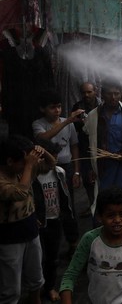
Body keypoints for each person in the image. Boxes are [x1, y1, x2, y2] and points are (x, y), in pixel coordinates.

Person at [59, 186, 122, 304]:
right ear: (100, 217)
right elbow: (70, 275)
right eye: (110, 215)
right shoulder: (90, 240)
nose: (117, 220)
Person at [83, 80, 122, 212]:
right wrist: (89, 168)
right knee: (104, 202)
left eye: (116, 94)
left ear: (121, 95)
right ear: (103, 95)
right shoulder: (93, 116)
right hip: (103, 166)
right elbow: (86, 143)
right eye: (109, 94)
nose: (113, 97)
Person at [0, 135, 45, 304]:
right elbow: (19, 193)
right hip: (9, 237)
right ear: (10, 161)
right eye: (24, 162)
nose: (28, 165)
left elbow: (51, 164)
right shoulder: (5, 177)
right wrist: (29, 165)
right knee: (11, 290)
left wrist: (41, 149)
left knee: (36, 279)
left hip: (30, 228)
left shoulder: (21, 169)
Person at [32, 139, 78, 302]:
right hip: (39, 223)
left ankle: (50, 286)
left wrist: (66, 215)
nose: (55, 160)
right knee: (38, 258)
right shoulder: (31, 176)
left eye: (56, 156)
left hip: (55, 219)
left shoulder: (59, 172)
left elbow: (64, 196)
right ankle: (36, 290)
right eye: (52, 156)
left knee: (52, 257)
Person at [32, 89, 83, 210]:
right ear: (42, 109)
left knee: (68, 201)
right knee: (50, 201)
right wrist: (67, 122)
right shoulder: (38, 124)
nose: (57, 110)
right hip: (47, 168)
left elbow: (74, 147)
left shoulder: (68, 122)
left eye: (59, 107)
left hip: (67, 167)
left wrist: (76, 172)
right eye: (52, 107)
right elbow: (43, 138)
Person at [71, 82, 101, 217]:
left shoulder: (101, 105)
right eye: (84, 92)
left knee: (101, 176)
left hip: (100, 147)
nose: (86, 95)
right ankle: (92, 205)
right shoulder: (78, 107)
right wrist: (78, 122)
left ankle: (102, 206)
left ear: (95, 91)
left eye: (89, 92)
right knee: (88, 180)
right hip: (85, 147)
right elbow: (74, 128)